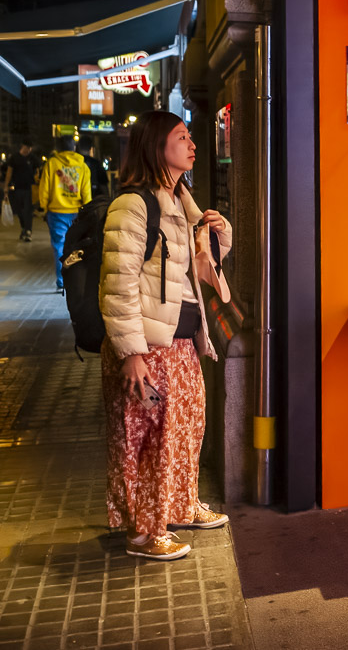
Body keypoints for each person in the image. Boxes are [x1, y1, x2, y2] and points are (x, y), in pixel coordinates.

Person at [99, 111, 232, 560]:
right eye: (182, 136)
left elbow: (190, 273)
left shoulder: (180, 202)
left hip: (181, 344)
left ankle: (181, 505)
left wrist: (218, 237)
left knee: (185, 431)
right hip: (150, 349)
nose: (192, 144)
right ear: (158, 146)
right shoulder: (134, 205)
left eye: (191, 136)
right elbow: (117, 285)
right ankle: (143, 532)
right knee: (146, 439)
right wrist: (132, 354)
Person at [40, 136, 91, 292]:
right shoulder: (82, 166)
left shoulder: (51, 164)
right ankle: (76, 278)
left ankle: (62, 281)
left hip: (56, 212)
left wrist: (43, 207)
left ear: (58, 148)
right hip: (76, 212)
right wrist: (86, 211)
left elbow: (44, 189)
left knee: (59, 247)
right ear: (73, 148)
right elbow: (86, 193)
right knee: (77, 246)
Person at [2, 137, 38, 241]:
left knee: (28, 211)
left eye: (31, 148)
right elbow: (9, 172)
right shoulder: (14, 158)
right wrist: (6, 187)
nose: (29, 150)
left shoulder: (33, 158)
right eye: (28, 147)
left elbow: (37, 172)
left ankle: (28, 231)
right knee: (19, 211)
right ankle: (24, 228)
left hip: (29, 188)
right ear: (23, 147)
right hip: (17, 188)